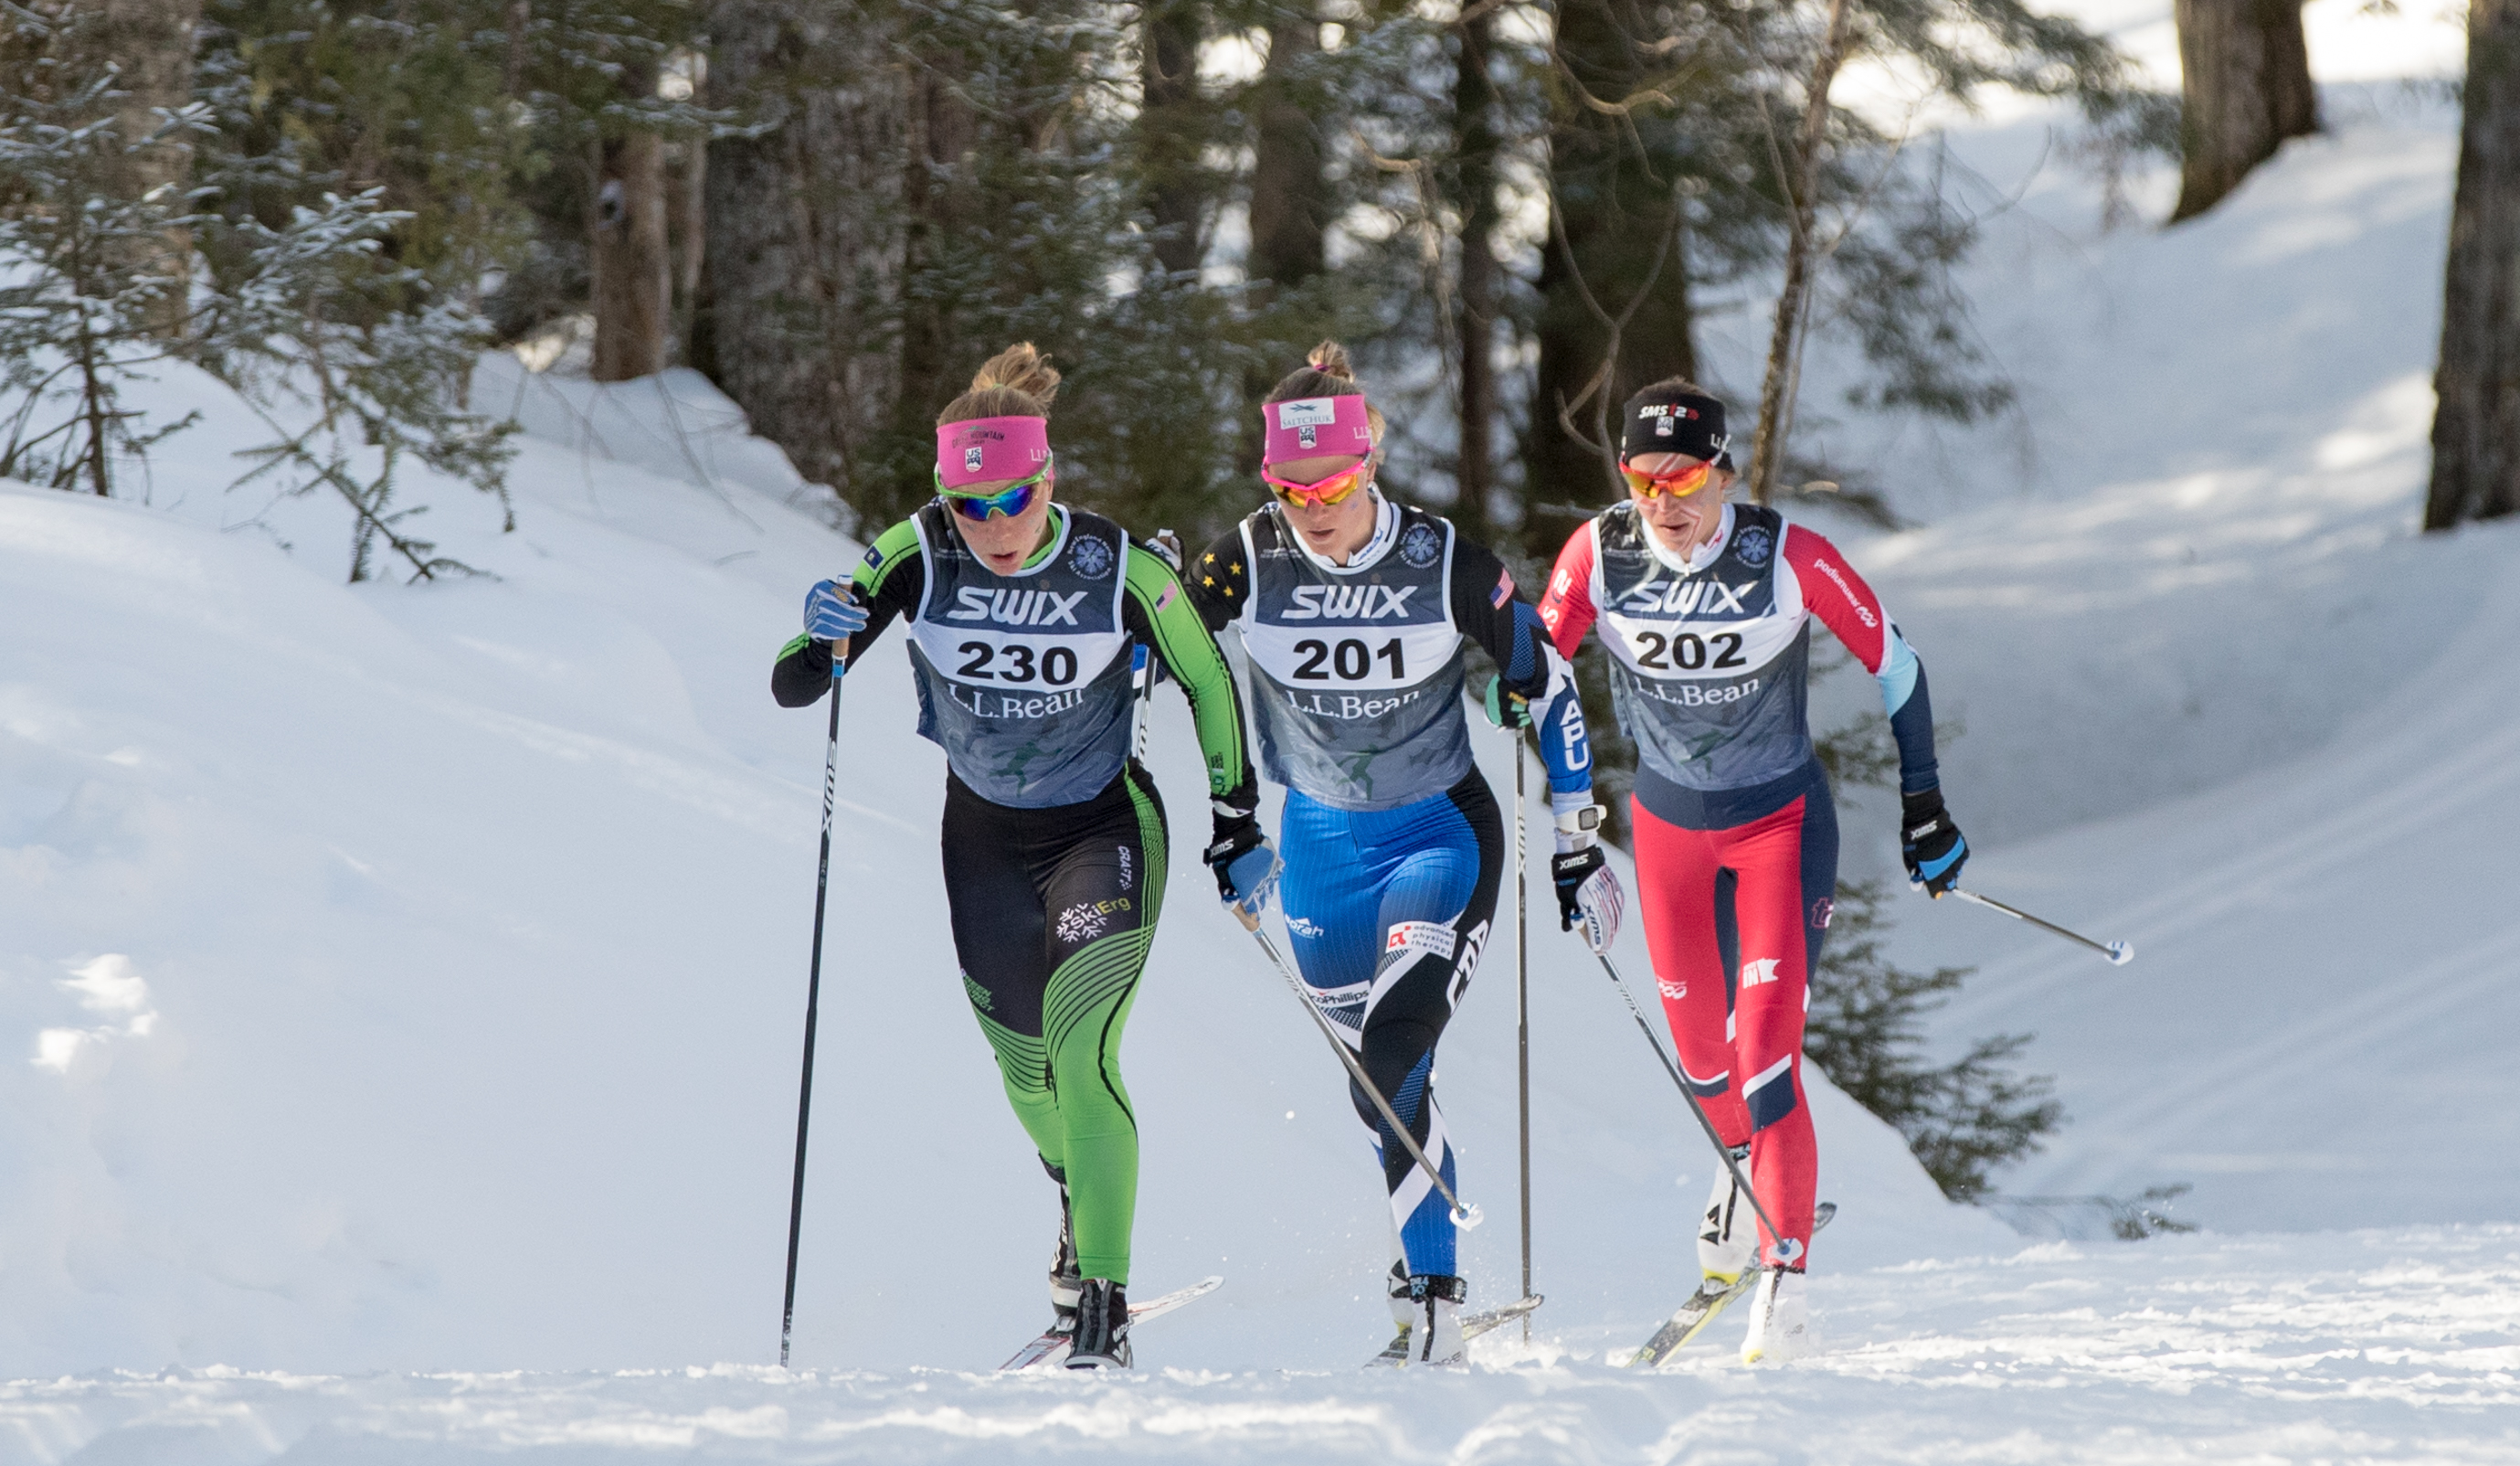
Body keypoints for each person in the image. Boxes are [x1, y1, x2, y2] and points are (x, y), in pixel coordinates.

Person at [771, 345, 1275, 1370]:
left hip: (1102, 830)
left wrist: (1235, 818)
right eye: (971, 505)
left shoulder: (1114, 565)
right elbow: (794, 687)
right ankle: (1075, 1197)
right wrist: (815, 630)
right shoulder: (913, 552)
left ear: (1049, 480)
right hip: (983, 838)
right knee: (1025, 1071)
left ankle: (1104, 1292)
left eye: (1015, 498)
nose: (996, 525)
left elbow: (1206, 680)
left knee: (1083, 1047)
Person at [1188, 343, 1620, 1365]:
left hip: (1438, 833)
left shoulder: (1440, 559)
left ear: (1369, 461)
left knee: (1391, 1049)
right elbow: (1161, 640)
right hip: (1318, 847)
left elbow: (1542, 678)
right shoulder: (1248, 555)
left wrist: (1573, 838)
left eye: (1331, 484)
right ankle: (1430, 1294)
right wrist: (1227, 812)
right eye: (1288, 489)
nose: (1311, 508)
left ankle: (1430, 1296)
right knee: (1384, 1085)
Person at [1537, 377, 1969, 1364]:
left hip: (1776, 827)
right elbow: (1536, 667)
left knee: (1764, 1051)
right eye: (1640, 479)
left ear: (1725, 472)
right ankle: (1745, 1176)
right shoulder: (1598, 554)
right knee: (1701, 1060)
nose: (1663, 502)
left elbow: (1896, 668)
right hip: (1666, 832)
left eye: (1683, 477)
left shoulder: (1786, 558)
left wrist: (1924, 804)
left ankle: (1786, 1271)